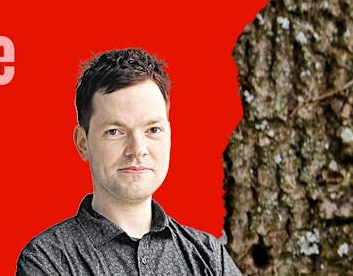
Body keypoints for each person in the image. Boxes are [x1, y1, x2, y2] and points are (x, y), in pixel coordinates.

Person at [17, 49, 241, 276]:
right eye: (115, 131)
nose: (137, 150)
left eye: (153, 129)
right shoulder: (47, 260)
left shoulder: (209, 255)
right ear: (83, 143)